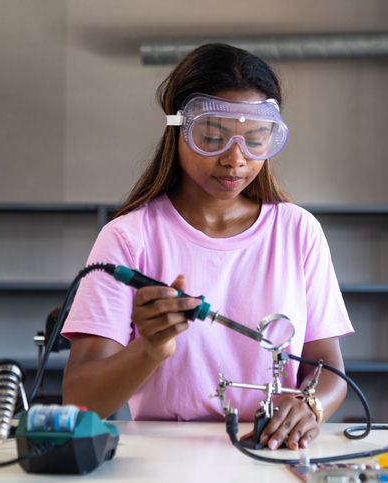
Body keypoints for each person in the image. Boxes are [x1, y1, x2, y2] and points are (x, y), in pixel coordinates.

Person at [61, 43, 353, 451]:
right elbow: (80, 400)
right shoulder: (129, 238)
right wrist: (149, 348)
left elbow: (329, 369)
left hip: (269, 453)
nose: (235, 160)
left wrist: (310, 404)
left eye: (255, 139)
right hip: (162, 461)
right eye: (212, 137)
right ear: (177, 129)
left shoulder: (298, 231)